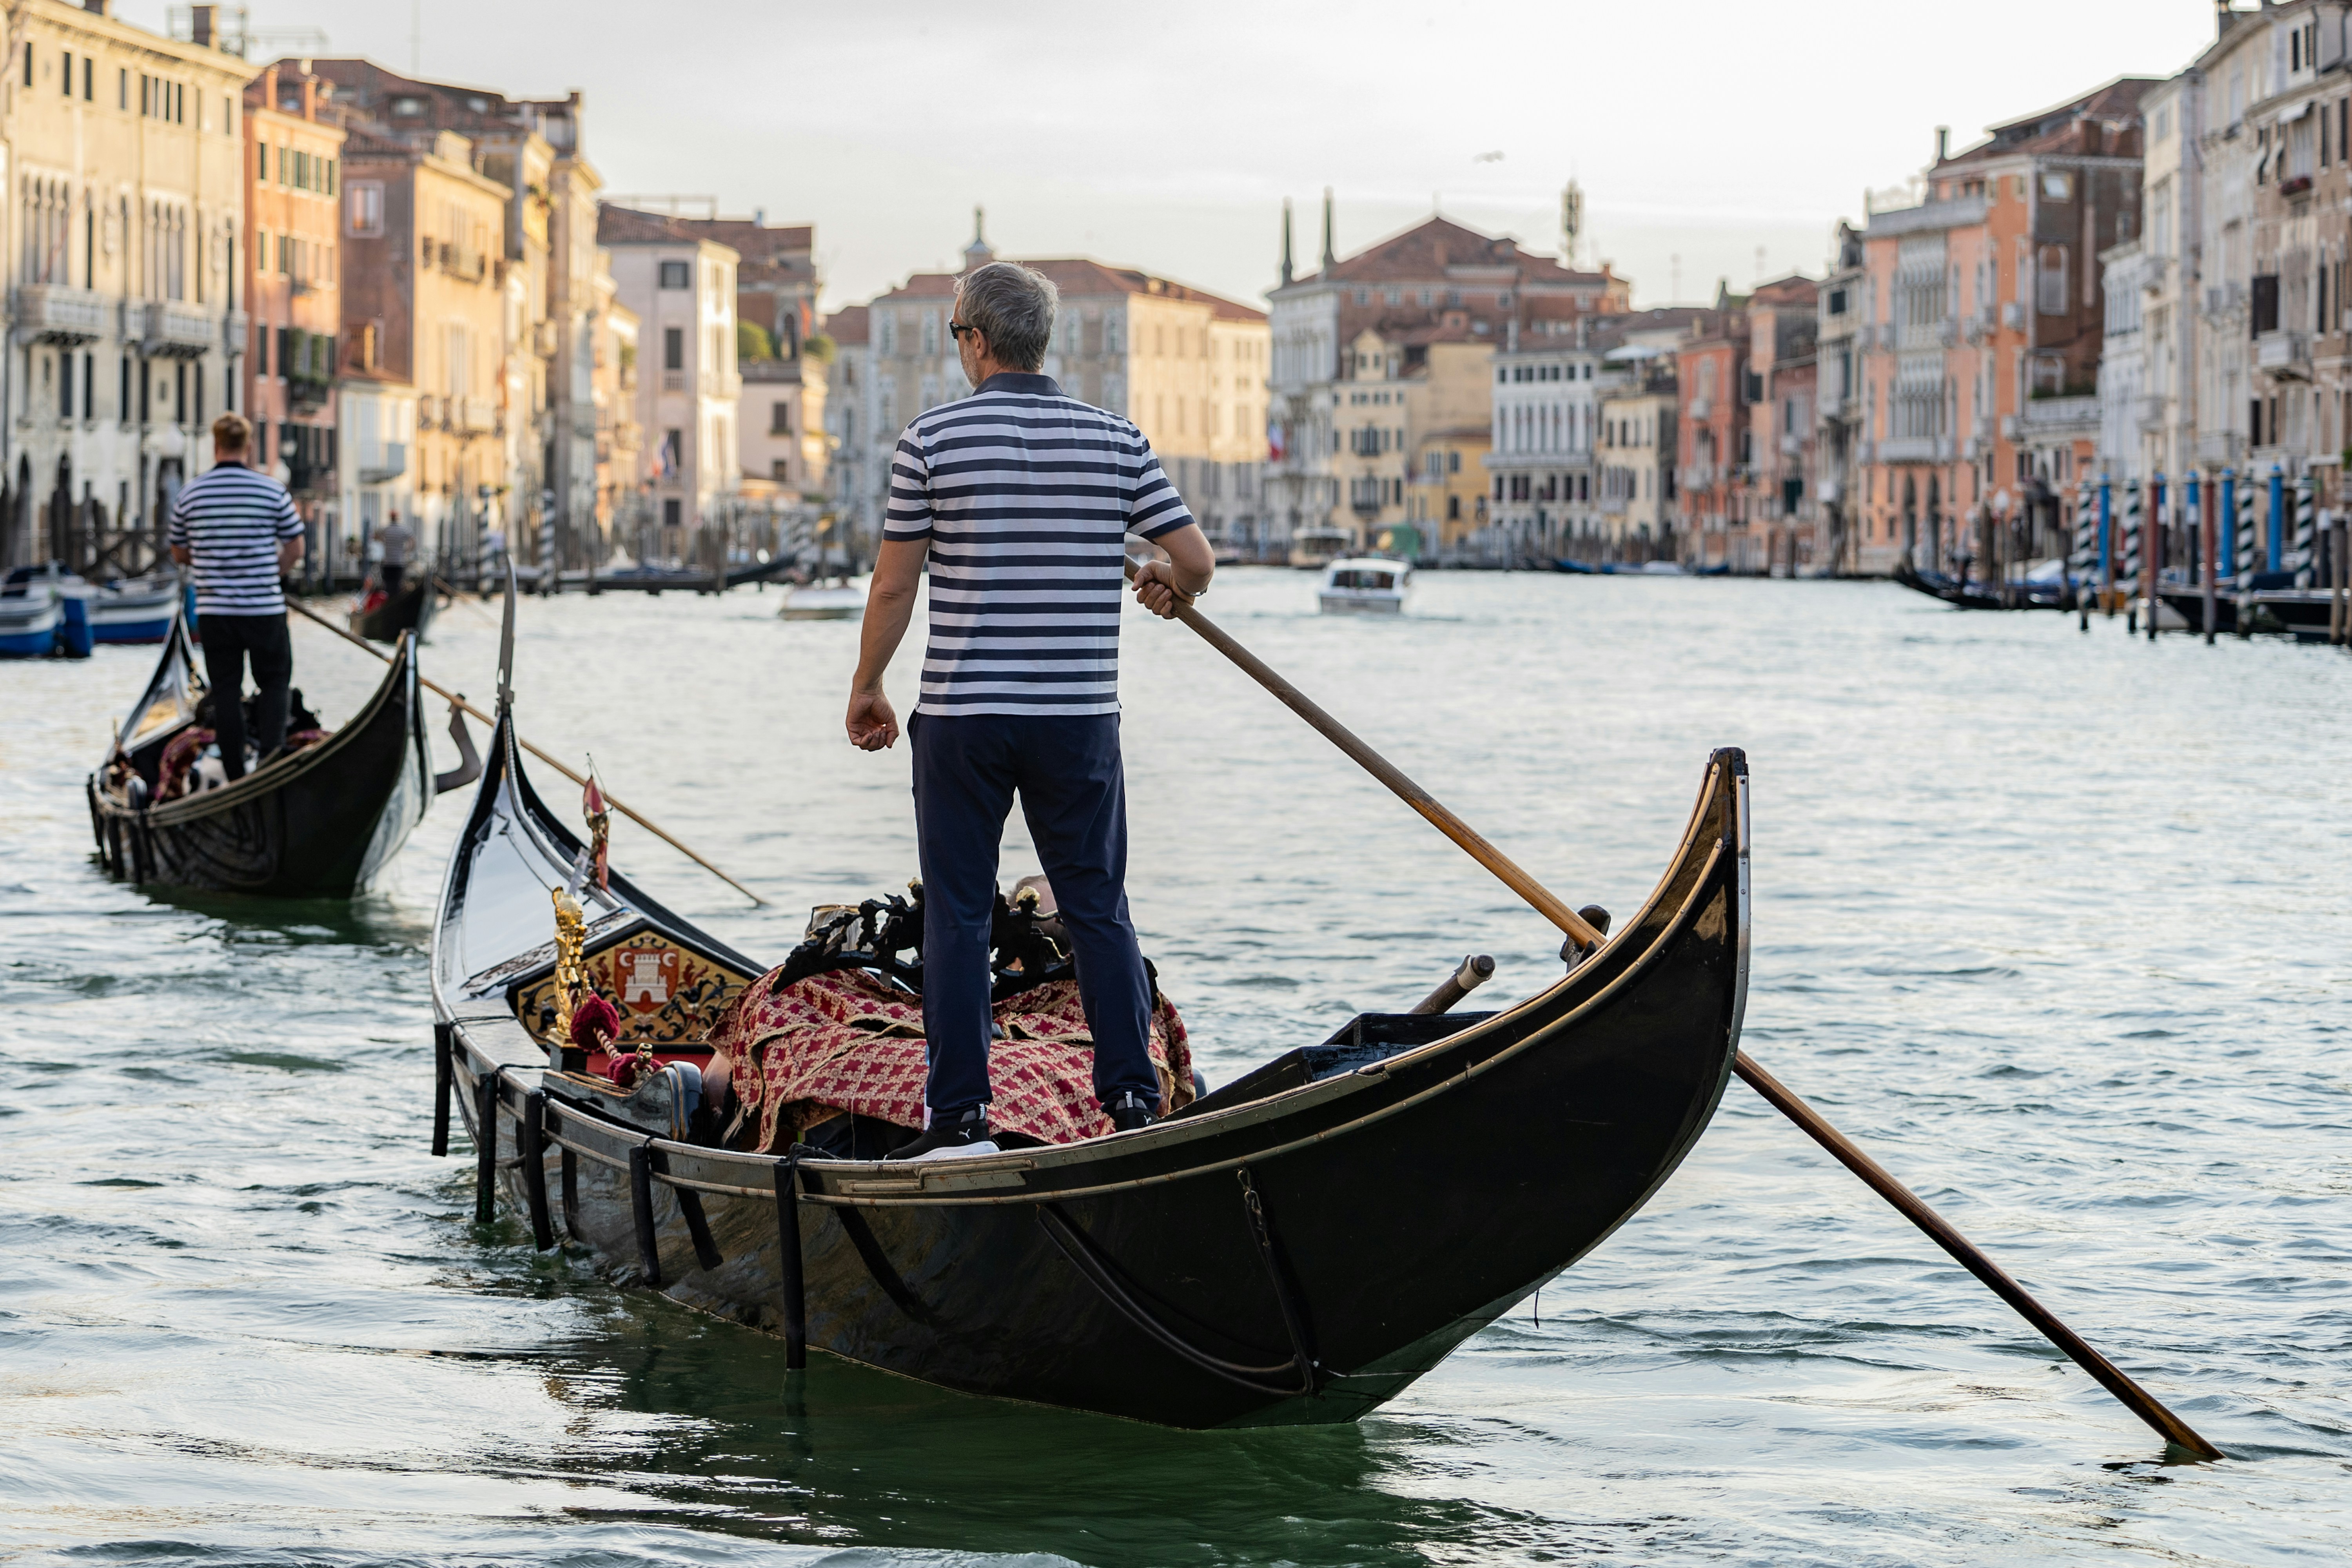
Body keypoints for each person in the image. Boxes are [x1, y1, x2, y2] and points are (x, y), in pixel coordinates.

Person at [846, 261, 1214, 1161]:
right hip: (1076, 716)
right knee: (1097, 907)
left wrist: (866, 686)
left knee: (962, 915)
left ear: (974, 339)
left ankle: (960, 1118)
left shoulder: (929, 442)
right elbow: (1195, 561)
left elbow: (895, 585)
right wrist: (1169, 586)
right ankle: (1131, 1100)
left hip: (964, 717)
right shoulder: (1115, 441)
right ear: (1041, 343)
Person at [169, 412, 304, 780]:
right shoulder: (272, 490)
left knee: (227, 690)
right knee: (275, 683)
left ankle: (235, 773)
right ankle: (270, 763)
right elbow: (295, 548)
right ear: (248, 447)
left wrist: (214, 565)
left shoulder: (191, 494)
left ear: (215, 446)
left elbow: (179, 552)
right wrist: (268, 574)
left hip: (216, 611)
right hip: (264, 609)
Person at [376, 511, 416, 597]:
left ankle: (389, 601)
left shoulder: (386, 529)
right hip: (399, 562)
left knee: (388, 585)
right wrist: (407, 551)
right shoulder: (403, 530)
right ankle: (395, 599)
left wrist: (384, 542)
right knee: (397, 585)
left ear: (390, 518)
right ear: (397, 518)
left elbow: (376, 535)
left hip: (388, 562)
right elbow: (413, 541)